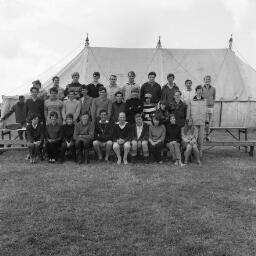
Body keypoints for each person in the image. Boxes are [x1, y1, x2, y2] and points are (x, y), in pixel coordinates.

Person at [189, 85, 207, 157]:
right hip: (194, 122)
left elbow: (206, 111)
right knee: (194, 138)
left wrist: (207, 121)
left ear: (202, 91)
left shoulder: (205, 100)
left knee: (200, 139)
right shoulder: (192, 100)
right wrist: (189, 119)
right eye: (198, 90)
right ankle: (193, 153)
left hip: (202, 122)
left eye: (200, 90)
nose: (199, 91)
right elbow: (189, 110)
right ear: (196, 91)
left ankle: (200, 155)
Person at [202, 75, 216, 141]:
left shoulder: (213, 88)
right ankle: (203, 136)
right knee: (204, 122)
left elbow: (214, 97)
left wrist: (212, 103)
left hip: (210, 107)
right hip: (203, 107)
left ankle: (208, 136)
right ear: (204, 80)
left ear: (210, 80)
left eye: (208, 79)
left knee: (209, 122)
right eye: (206, 79)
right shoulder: (201, 88)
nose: (207, 80)